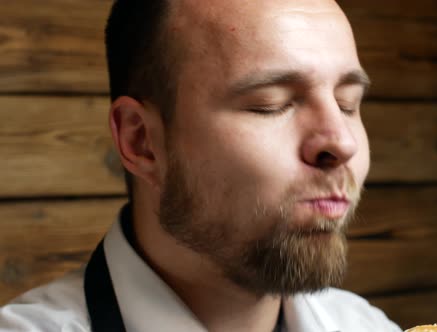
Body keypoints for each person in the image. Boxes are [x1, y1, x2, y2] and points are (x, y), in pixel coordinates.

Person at [0, 0, 403, 331]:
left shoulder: (366, 326)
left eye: (348, 104)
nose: (343, 143)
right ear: (141, 141)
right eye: (271, 104)